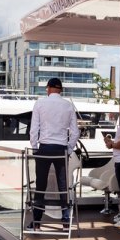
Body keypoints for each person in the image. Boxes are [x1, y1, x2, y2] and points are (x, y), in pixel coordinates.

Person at [28, 77, 78, 229]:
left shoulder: (40, 103)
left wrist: (35, 147)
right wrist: (68, 149)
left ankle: (37, 221)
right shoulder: (68, 106)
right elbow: (75, 133)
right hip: (61, 148)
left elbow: (34, 129)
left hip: (44, 148)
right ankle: (65, 221)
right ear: (60, 90)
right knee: (63, 185)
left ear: (49, 89)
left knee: (40, 185)